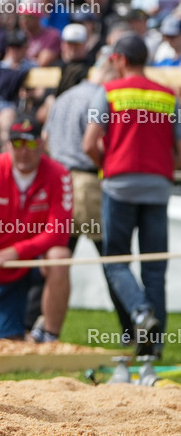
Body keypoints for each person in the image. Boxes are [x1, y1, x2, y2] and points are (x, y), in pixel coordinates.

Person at [83, 34, 181, 357]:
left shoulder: (108, 91)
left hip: (119, 186)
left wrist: (107, 165)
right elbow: (179, 149)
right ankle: (154, 349)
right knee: (154, 267)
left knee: (116, 260)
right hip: (157, 187)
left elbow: (89, 143)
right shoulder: (169, 96)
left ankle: (140, 313)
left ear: (121, 60)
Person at [43, 59, 133, 342]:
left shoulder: (61, 99)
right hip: (87, 184)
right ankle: (132, 328)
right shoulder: (98, 98)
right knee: (112, 261)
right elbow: (96, 143)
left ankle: (41, 328)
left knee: (56, 260)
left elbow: (45, 139)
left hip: (59, 184)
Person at [0, 118, 73, 341]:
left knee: (60, 256)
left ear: (42, 144)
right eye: (17, 143)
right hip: (2, 267)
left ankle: (50, 336)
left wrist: (17, 251)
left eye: (30, 143)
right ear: (8, 145)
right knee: (8, 344)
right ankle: (32, 333)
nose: (24, 151)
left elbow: (58, 231)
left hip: (36, 261)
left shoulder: (59, 174)